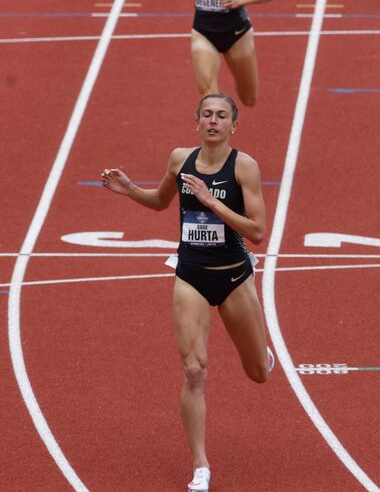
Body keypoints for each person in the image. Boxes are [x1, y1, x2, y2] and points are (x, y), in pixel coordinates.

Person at [101, 94, 274, 492]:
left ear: (234, 125)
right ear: (196, 121)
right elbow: (161, 202)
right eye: (207, 115)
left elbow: (258, 232)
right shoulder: (180, 159)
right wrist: (130, 190)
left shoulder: (243, 166)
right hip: (190, 274)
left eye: (222, 116)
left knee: (258, 375)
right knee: (194, 370)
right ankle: (200, 466)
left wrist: (211, 201)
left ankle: (262, 352)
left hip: (234, 277)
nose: (214, 121)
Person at [165, 0, 280, 107]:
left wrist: (241, 0)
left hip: (237, 33)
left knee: (249, 98)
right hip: (203, 32)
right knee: (209, 96)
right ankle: (221, 127)